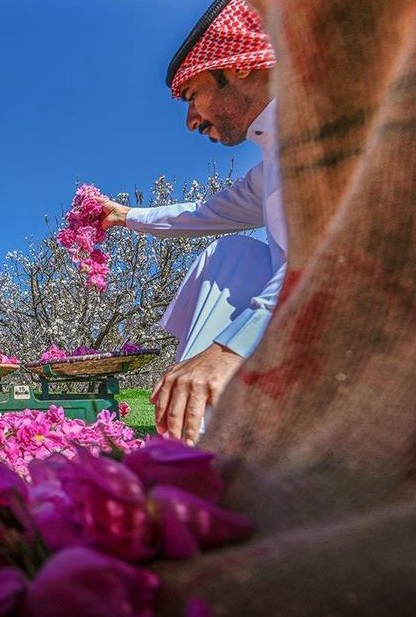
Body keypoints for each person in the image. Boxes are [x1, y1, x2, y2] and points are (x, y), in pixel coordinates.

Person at [99, 0, 282, 445]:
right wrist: (125, 216)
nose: (191, 120)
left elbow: (334, 259)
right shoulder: (273, 161)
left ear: (238, 67)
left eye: (192, 95)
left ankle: (191, 450)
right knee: (232, 253)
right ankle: (186, 442)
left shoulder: (333, 130)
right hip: (298, 327)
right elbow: (203, 213)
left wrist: (228, 350)